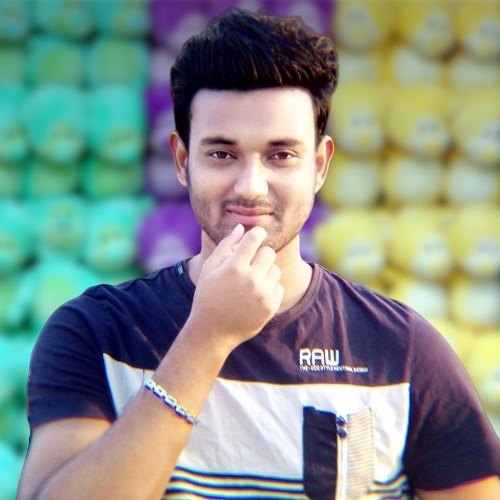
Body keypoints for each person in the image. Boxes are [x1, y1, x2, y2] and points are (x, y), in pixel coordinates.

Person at [18, 7, 499, 500]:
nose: (251, 186)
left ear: (319, 165)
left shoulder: (400, 349)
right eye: (222, 154)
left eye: (280, 155)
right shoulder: (97, 332)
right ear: (182, 160)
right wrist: (206, 339)